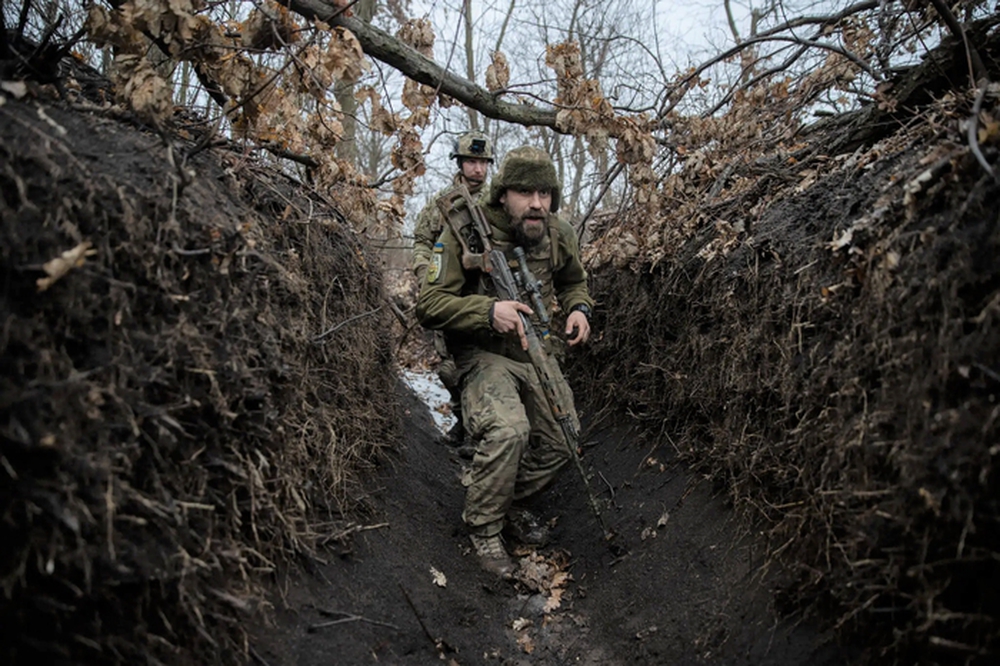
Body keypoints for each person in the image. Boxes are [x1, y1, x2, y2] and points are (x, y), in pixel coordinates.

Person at [415, 146, 594, 577]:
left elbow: (574, 281)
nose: (536, 203)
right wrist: (486, 312)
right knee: (509, 431)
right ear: (501, 194)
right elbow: (430, 303)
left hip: (535, 350)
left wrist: (578, 308)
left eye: (545, 193)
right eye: (524, 192)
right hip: (482, 353)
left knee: (563, 441)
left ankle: (501, 497)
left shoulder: (558, 232)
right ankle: (485, 528)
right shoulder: (465, 230)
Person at [411, 130, 495, 446]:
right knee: (451, 367)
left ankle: (484, 429)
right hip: (451, 297)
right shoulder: (442, 203)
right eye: (472, 161)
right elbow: (422, 242)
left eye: (483, 162)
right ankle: (464, 420)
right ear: (460, 163)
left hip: (488, 297)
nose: (478, 169)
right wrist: (427, 273)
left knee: (486, 364)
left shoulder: (496, 201)